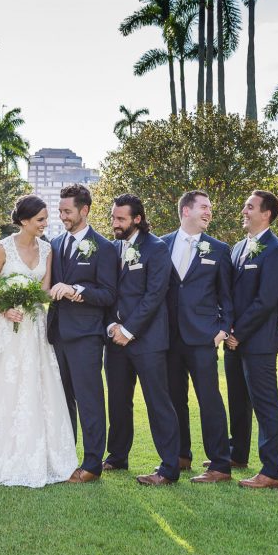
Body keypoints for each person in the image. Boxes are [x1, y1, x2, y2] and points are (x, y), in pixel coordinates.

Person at [0, 195, 79, 487]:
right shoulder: (4, 248)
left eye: (46, 219)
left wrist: (56, 292)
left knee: (37, 386)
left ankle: (40, 452)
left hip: (35, 327)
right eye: (41, 219)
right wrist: (6, 307)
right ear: (24, 221)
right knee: (3, 386)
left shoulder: (47, 249)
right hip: (5, 328)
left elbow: (42, 291)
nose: (46, 224)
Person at [102, 194, 181, 485]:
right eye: (113, 218)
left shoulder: (156, 248)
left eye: (121, 219)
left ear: (137, 219)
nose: (115, 223)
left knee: (158, 402)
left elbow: (155, 294)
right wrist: (112, 325)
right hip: (116, 339)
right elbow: (109, 291)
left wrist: (129, 330)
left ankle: (169, 468)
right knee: (118, 401)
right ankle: (117, 456)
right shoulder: (112, 249)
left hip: (147, 341)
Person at [161, 190, 235, 483]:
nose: (209, 212)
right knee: (174, 399)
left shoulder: (218, 249)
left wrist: (223, 329)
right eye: (204, 207)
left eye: (210, 208)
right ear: (185, 211)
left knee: (210, 400)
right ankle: (181, 456)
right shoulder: (161, 244)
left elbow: (227, 296)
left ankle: (220, 465)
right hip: (168, 337)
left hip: (203, 337)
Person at [46, 184, 118, 484]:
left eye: (67, 211)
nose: (62, 216)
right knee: (62, 401)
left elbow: (109, 294)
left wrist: (77, 291)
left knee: (89, 400)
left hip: (87, 335)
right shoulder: (54, 243)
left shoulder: (104, 248)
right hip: (57, 334)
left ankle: (92, 464)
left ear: (84, 210)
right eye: (60, 211)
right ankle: (66, 459)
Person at [224, 190, 278, 489]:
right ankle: (237, 454)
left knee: (265, 404)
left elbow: (266, 300)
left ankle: (271, 471)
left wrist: (239, 333)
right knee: (238, 401)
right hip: (234, 341)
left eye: (250, 206)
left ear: (266, 214)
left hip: (258, 341)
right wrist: (228, 330)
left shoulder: (275, 250)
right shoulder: (238, 247)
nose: (244, 210)